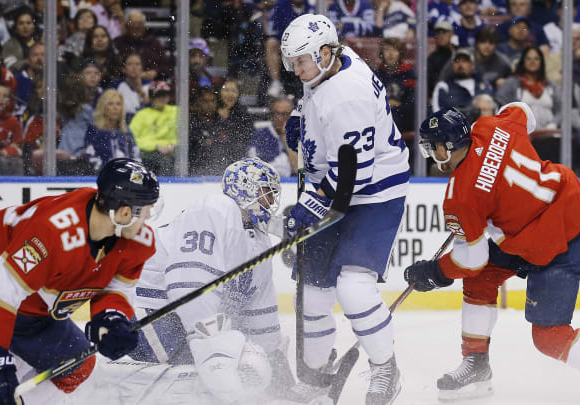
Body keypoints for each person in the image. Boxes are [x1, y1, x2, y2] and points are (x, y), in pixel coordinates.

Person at [404, 105, 580, 404]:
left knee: (549, 336)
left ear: (445, 146)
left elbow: (471, 259)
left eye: (432, 148)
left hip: (558, 246)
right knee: (481, 279)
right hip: (567, 210)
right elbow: (522, 111)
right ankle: (476, 364)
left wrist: (435, 272)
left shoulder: (460, 196)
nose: (431, 156)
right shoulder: (491, 125)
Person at [281, 13, 410, 405]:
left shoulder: (346, 95)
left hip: (374, 195)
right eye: (293, 62)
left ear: (324, 52)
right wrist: (302, 119)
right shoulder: (333, 61)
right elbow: (321, 110)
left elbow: (351, 179)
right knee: (314, 290)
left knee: (353, 288)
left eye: (301, 61)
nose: (297, 70)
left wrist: (308, 208)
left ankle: (386, 369)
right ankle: (318, 376)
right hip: (338, 182)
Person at [0, 158, 159, 404]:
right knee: (4, 368)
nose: (148, 220)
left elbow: (115, 287)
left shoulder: (134, 241)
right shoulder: (51, 234)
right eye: (146, 211)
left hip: (40, 300)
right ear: (124, 213)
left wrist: (111, 317)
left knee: (77, 365)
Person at [123, 157, 318, 403]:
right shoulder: (215, 209)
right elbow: (188, 283)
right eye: (266, 193)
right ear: (245, 187)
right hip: (144, 319)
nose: (271, 202)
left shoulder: (260, 241)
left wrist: (277, 371)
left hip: (181, 325)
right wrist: (214, 343)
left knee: (251, 363)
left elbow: (259, 315)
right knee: (232, 363)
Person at [83, 89, 141, 173]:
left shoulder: (126, 131)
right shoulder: (94, 130)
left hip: (126, 177)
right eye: (110, 104)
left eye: (118, 104)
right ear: (103, 107)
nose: (115, 108)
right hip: (100, 176)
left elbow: (136, 156)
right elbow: (90, 156)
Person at [129, 81, 177, 176]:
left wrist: (172, 144)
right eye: (157, 95)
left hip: (173, 152)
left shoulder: (176, 111)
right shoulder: (141, 115)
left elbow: (183, 135)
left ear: (168, 96)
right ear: (151, 98)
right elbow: (131, 139)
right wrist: (156, 146)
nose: (161, 98)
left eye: (164, 95)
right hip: (146, 154)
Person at [248, 96, 298, 177]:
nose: (280, 118)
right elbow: (254, 169)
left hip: (292, 183)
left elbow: (299, 171)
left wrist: (286, 136)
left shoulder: (299, 136)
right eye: (276, 113)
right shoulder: (260, 136)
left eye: (284, 114)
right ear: (271, 114)